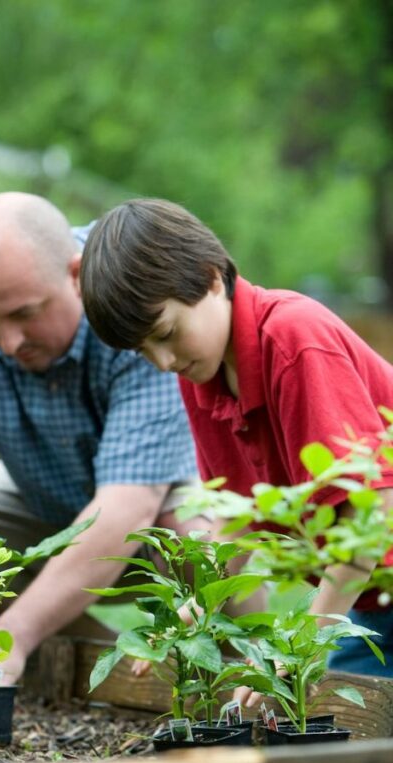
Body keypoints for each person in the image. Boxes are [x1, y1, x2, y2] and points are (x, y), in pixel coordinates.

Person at [0, 192, 200, 689]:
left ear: (75, 275)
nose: (7, 342)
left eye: (24, 314)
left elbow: (127, 508)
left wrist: (10, 636)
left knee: (201, 540)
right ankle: (82, 664)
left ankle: (237, 677)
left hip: (158, 499)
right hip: (39, 496)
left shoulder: (129, 300)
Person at [78, 196, 393, 680]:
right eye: (142, 352)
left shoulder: (292, 339)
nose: (162, 361)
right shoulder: (199, 376)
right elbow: (239, 520)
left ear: (210, 277)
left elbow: (371, 513)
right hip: (373, 599)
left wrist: (298, 644)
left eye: (165, 333)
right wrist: (196, 612)